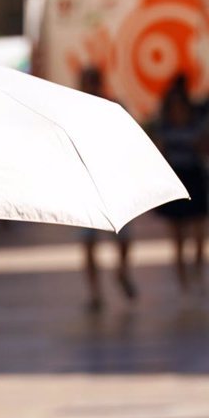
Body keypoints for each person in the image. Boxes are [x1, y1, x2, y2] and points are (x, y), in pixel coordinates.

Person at [78, 68, 137, 311]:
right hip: (87, 184)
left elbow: (129, 139)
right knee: (88, 242)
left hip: (113, 182)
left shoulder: (113, 107)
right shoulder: (75, 109)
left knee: (123, 237)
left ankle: (120, 272)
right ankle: (95, 292)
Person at [154, 75, 209, 292]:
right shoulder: (165, 128)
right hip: (177, 178)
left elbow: (206, 148)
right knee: (178, 238)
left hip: (195, 178)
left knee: (198, 234)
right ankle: (184, 283)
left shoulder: (196, 123)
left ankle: (197, 274)